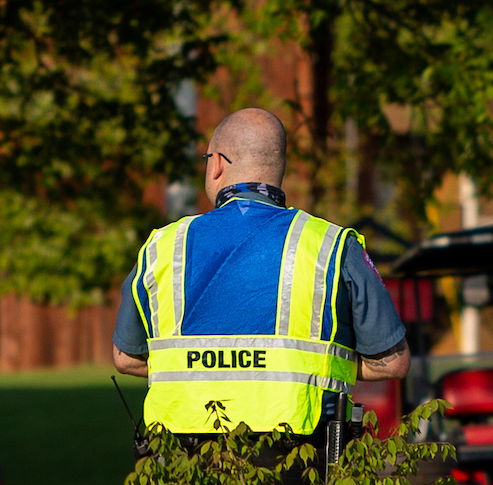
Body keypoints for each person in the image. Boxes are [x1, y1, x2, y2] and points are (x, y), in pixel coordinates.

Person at [111, 108, 409, 448]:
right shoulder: (332, 245)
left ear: (218, 164)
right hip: (301, 467)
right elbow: (392, 363)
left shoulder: (163, 246)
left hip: (187, 470)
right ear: (277, 169)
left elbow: (126, 357)